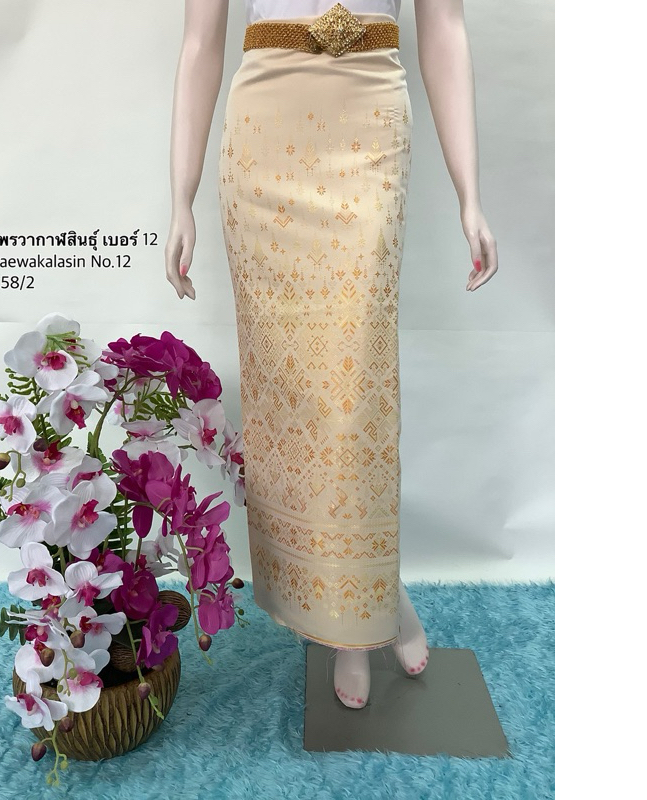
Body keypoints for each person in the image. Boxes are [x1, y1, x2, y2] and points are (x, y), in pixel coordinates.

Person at [165, 0, 498, 711]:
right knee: (292, 392)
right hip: (264, 140)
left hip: (367, 127)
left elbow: (444, 26)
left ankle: (357, 618)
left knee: (353, 389)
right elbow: (200, 42)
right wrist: (181, 197)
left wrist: (470, 195)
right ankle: (370, 603)